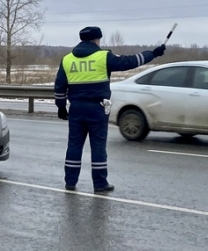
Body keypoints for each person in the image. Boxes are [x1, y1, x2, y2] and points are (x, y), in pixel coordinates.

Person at [54, 27, 165, 193]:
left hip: (76, 108)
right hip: (97, 108)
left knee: (74, 145)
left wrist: (61, 107)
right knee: (98, 146)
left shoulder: (67, 59)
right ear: (96, 40)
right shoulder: (103, 56)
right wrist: (153, 53)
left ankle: (70, 182)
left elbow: (60, 85)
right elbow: (130, 61)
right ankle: (100, 184)